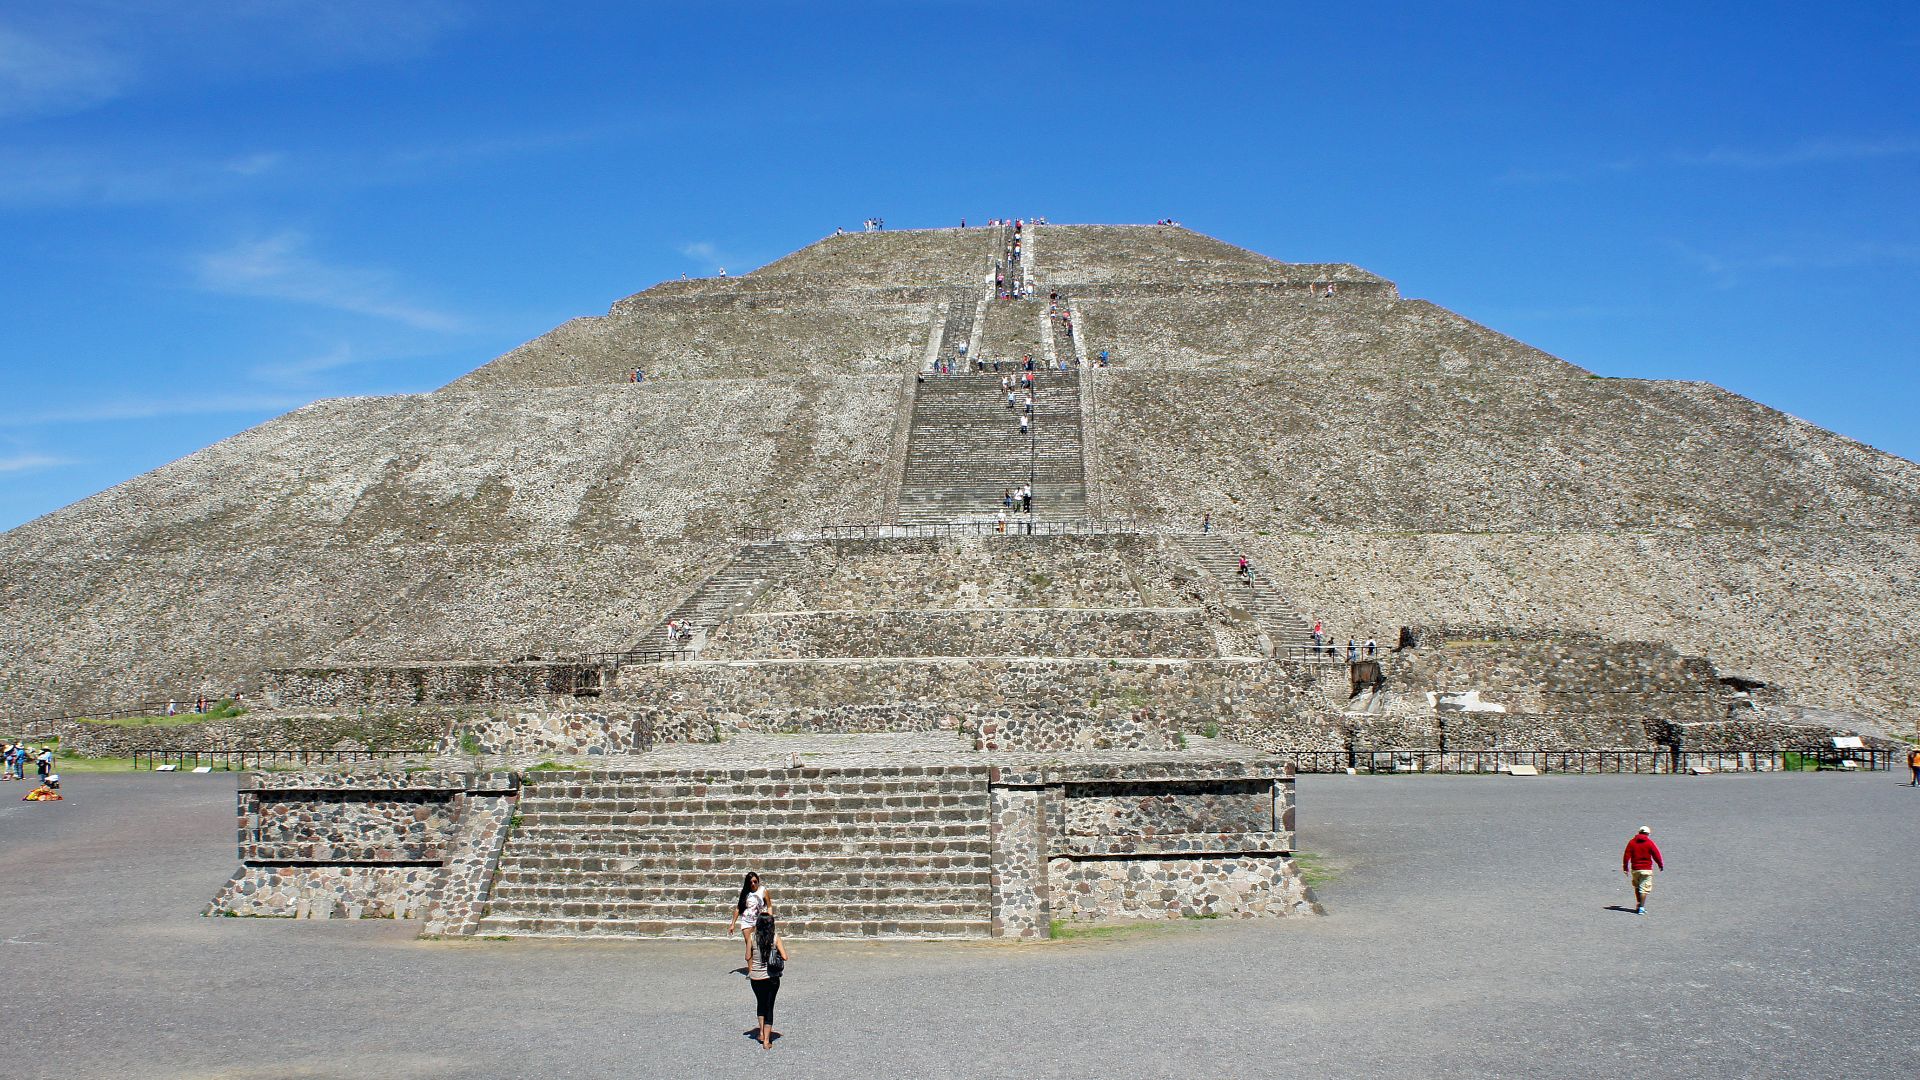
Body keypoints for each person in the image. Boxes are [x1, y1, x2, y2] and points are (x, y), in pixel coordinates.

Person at [748, 913, 789, 1049]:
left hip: (756, 977)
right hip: (771, 977)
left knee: (760, 1004)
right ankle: (766, 1041)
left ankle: (761, 1033)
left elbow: (747, 956)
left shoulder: (752, 937)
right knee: (769, 1006)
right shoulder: (775, 938)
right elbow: (785, 956)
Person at [1622, 826, 1664, 915]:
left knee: (1637, 887)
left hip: (1635, 869)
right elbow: (1656, 854)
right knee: (1644, 888)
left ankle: (1638, 904)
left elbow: (1626, 855)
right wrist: (1660, 864)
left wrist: (1625, 868)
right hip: (1646, 869)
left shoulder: (1632, 842)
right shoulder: (1649, 843)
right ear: (1647, 834)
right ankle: (1641, 908)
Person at [730, 871, 769, 953]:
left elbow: (769, 906)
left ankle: (759, 961)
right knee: (749, 947)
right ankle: (750, 962)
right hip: (746, 921)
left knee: (760, 945)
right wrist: (733, 924)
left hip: (759, 921)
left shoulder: (763, 891)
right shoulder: (745, 892)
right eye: (750, 882)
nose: (753, 884)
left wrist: (770, 919)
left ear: (758, 881)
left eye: (755, 881)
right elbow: (738, 908)